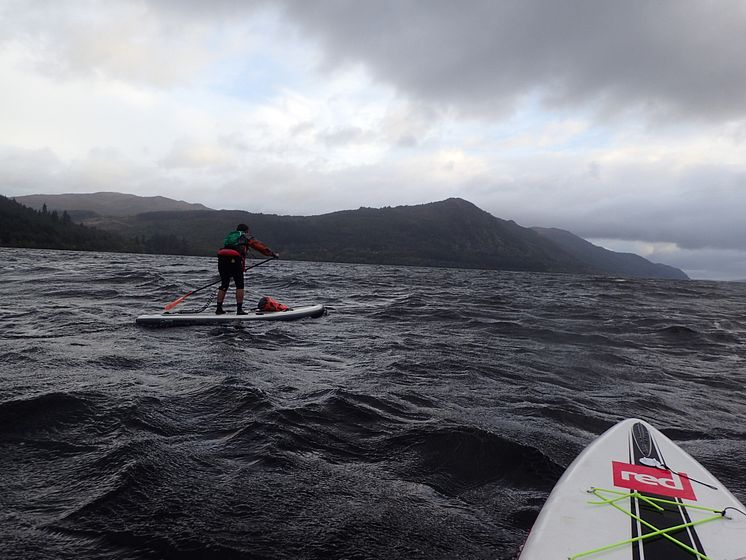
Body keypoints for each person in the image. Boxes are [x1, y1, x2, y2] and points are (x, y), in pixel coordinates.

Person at [216, 223, 278, 315]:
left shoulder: (231, 236)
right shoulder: (245, 236)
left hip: (222, 258)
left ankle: (219, 309)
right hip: (234, 259)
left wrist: (241, 267)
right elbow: (259, 246)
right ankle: (239, 310)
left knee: (224, 284)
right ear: (247, 230)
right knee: (239, 285)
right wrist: (272, 254)